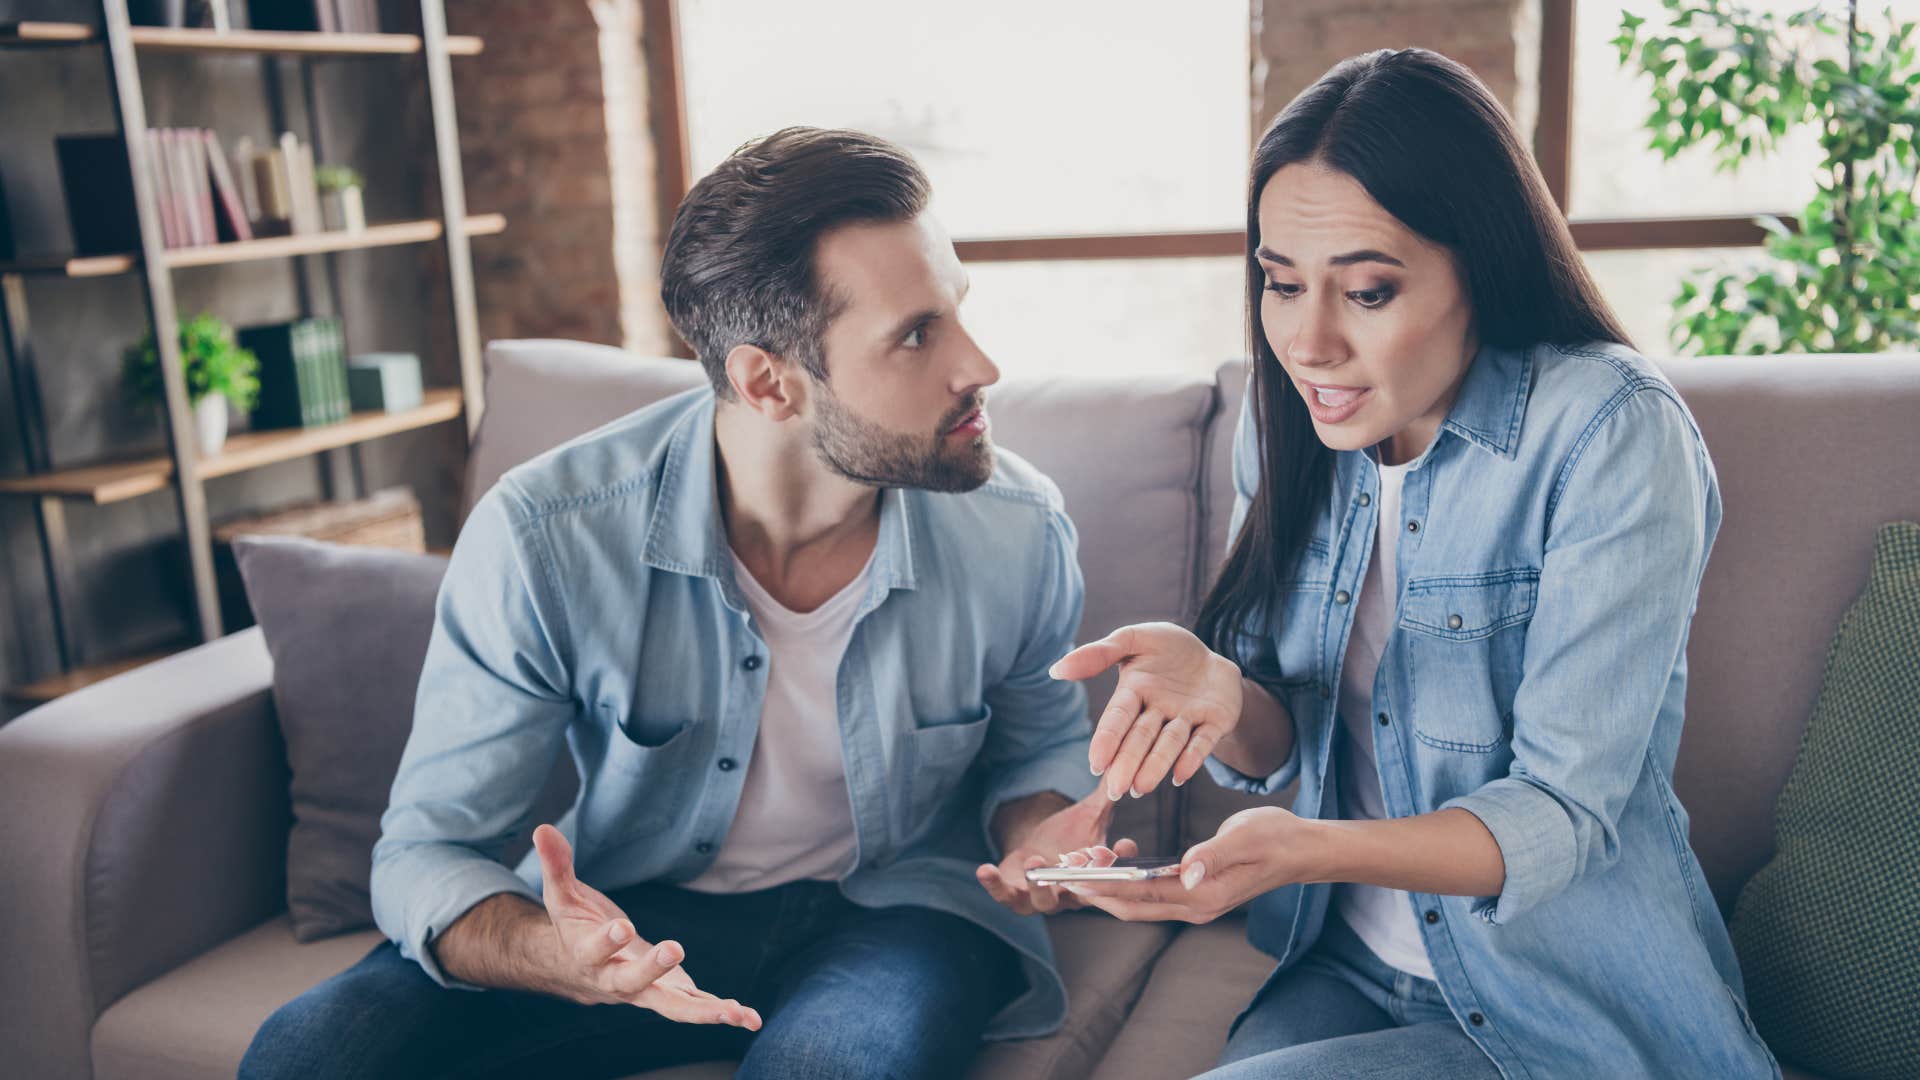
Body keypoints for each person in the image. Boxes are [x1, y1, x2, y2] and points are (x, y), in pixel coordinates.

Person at [240, 127, 1122, 1080]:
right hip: (639, 905)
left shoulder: (1016, 528)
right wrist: (557, 954)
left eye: (955, 310)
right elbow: (427, 848)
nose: (980, 364)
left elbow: (1035, 748)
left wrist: (1042, 836)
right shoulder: (549, 535)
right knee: (308, 1056)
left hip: (901, 910)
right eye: (917, 334)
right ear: (766, 382)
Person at [1050, 49, 1780, 1079]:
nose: (1309, 342)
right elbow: (1282, 743)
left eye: (1369, 291)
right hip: (1342, 966)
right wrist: (1222, 692)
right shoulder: (1294, 426)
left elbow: (1562, 815)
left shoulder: (1609, 432)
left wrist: (1311, 849)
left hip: (1557, 1011)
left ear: (1478, 267)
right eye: (1280, 283)